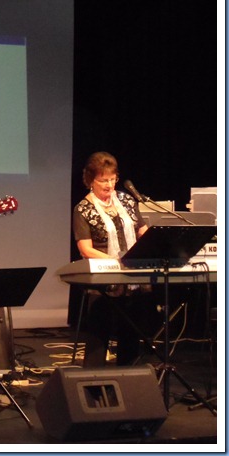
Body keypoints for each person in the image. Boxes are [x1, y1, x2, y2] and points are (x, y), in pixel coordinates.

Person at [72, 151, 158, 367]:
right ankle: (92, 388)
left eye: (112, 179)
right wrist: (116, 261)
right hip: (103, 281)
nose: (109, 185)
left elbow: (142, 231)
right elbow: (85, 249)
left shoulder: (127, 200)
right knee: (98, 337)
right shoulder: (83, 209)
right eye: (103, 180)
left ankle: (127, 379)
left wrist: (152, 244)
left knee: (130, 332)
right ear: (90, 180)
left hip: (131, 278)